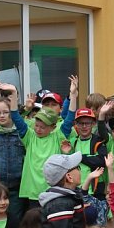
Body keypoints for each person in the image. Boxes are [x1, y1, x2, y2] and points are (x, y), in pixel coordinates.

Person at [9, 80, 76, 209]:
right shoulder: (29, 136)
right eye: (37, 125)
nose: (38, 129)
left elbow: (70, 118)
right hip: (33, 192)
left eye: (43, 127)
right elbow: (16, 117)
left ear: (53, 127)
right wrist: (13, 95)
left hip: (53, 191)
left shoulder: (58, 136)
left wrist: (73, 96)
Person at [0, 97, 27, 220]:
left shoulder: (21, 133)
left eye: (6, 112)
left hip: (17, 189)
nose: (2, 116)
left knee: (15, 221)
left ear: (12, 113)